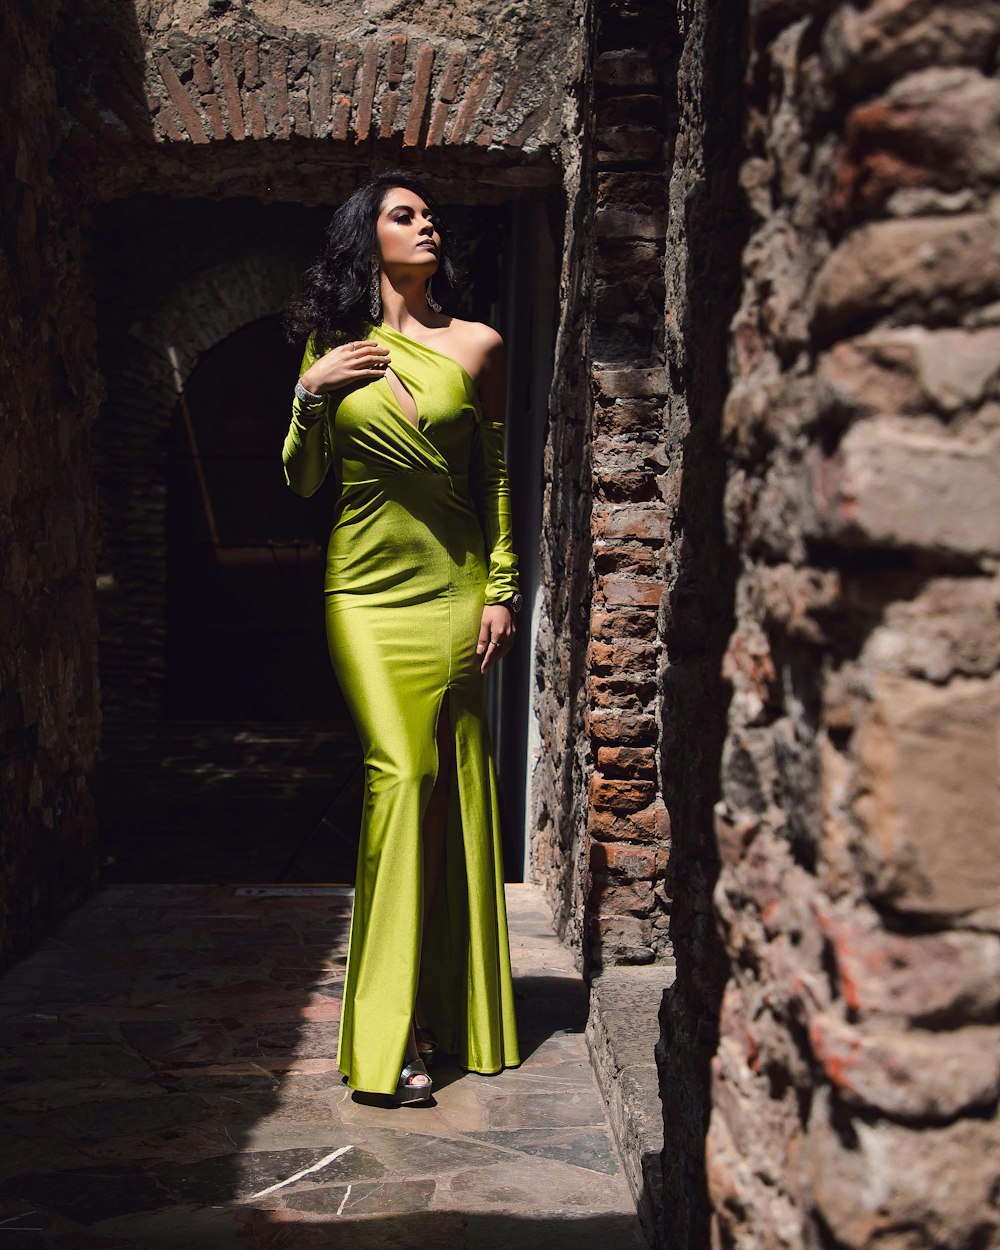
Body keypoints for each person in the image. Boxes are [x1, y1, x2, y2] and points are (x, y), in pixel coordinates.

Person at [280, 170, 523, 1105]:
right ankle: (386, 1034)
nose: (426, 228)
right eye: (404, 215)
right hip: (367, 596)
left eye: (429, 218)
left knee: (450, 793)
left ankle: (436, 1018)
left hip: (457, 593)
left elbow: (496, 481)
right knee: (399, 777)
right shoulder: (329, 352)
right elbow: (303, 483)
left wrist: (502, 591)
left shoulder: (477, 346)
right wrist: (309, 390)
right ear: (365, 237)